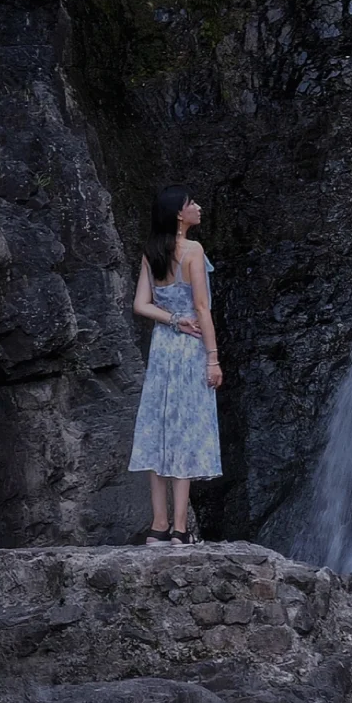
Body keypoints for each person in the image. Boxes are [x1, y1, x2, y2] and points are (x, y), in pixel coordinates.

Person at [128, 185, 222, 544]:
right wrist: (212, 359)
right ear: (179, 215)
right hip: (190, 347)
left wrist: (170, 319)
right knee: (182, 433)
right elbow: (201, 308)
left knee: (158, 431)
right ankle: (180, 530)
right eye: (191, 203)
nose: (198, 206)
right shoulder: (193, 250)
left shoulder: (152, 251)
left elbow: (141, 304)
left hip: (163, 347)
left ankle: (158, 526)